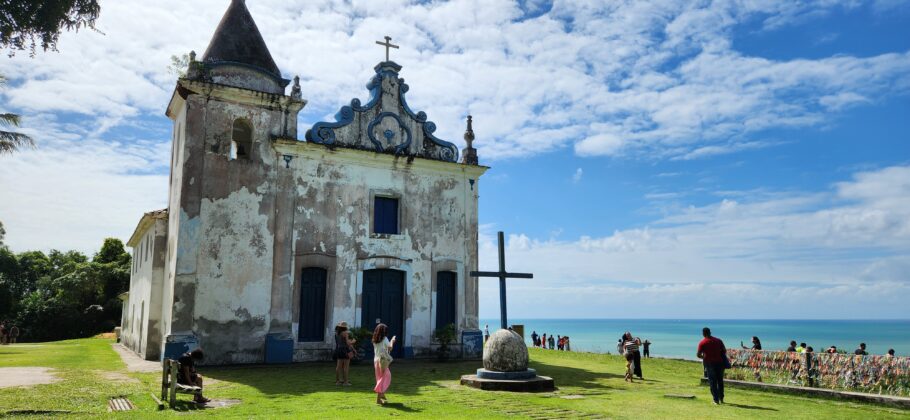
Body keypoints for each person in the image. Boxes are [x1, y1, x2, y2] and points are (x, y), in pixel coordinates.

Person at [696, 327, 727, 405]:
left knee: (712, 382)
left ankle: (715, 400)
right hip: (720, 363)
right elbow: (724, 351)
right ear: (710, 332)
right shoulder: (718, 340)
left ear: (703, 333)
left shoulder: (702, 342)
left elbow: (698, 354)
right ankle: (721, 398)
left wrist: (704, 357)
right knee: (720, 381)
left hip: (709, 364)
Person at [372, 323, 396, 405]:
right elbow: (390, 348)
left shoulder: (375, 339)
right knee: (386, 376)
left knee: (380, 377)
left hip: (376, 360)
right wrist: (392, 340)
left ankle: (380, 396)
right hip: (383, 359)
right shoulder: (385, 339)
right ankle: (380, 395)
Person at [333, 321, 356, 386]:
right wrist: (353, 342)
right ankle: (345, 382)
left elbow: (339, 343)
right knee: (346, 367)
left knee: (338, 367)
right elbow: (348, 343)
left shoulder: (337, 333)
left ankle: (338, 381)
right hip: (345, 350)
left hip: (338, 350)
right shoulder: (345, 333)